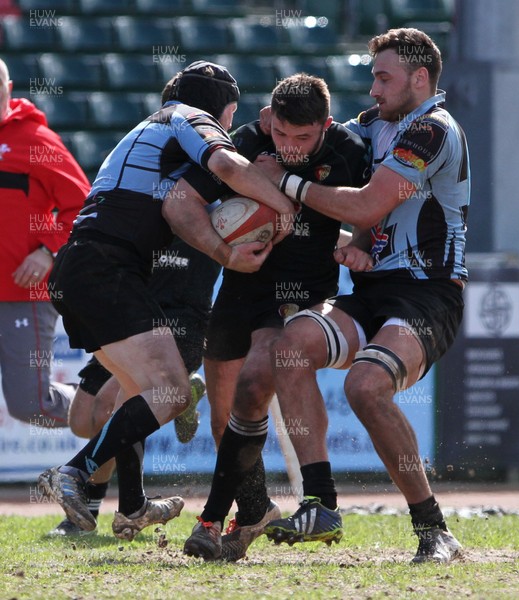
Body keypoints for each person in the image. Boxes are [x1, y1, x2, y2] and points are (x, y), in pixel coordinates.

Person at [37, 60, 295, 539]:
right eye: (230, 120)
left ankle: (132, 507)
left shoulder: (150, 127)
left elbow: (181, 213)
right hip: (107, 269)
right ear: (227, 111)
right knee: (172, 390)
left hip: (79, 268)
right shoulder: (189, 119)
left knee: (139, 391)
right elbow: (223, 163)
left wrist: (224, 252)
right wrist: (284, 204)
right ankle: (75, 472)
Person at [254, 28, 469, 564]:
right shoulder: (371, 126)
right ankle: (320, 504)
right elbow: (300, 131)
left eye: (383, 77)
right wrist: (271, 132)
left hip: (428, 294)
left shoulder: (434, 130)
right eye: (373, 76)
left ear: (419, 79)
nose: (372, 88)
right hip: (372, 289)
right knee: (291, 347)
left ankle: (433, 529)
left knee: (366, 386)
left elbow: (368, 205)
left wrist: (289, 185)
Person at [174, 74, 370, 561]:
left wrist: (353, 246)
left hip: (299, 293)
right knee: (225, 420)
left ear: (325, 125)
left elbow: (370, 211)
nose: (290, 145)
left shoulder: (346, 148)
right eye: (282, 134)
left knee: (254, 385)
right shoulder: (249, 140)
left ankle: (210, 521)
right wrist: (224, 248)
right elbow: (184, 198)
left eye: (303, 138)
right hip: (241, 286)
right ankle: (255, 511)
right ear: (270, 119)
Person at [48, 235, 221, 537]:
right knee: (82, 420)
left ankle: (87, 509)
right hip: (130, 314)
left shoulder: (210, 203)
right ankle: (184, 392)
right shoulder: (143, 204)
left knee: (108, 407)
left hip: (179, 320)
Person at [0, 58, 89, 428]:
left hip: (22, 294)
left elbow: (86, 205)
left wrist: (49, 250)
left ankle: (112, 406)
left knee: (31, 404)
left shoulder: (36, 140)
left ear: (8, 89)